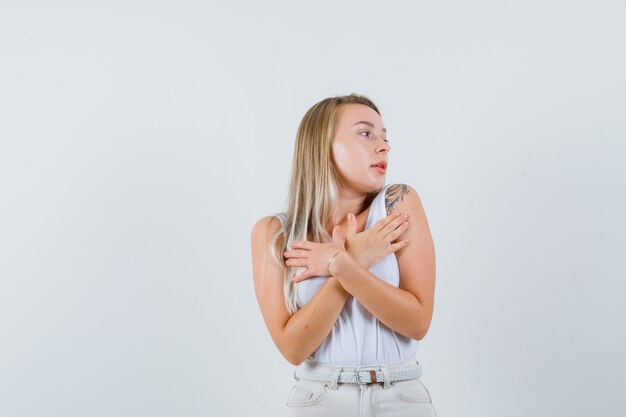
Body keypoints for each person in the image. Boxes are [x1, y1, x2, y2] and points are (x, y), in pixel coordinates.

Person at [250, 93, 437, 416]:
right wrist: (352, 260)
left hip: (401, 396)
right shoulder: (274, 234)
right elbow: (293, 348)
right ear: (322, 146)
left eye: (384, 137)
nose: (383, 146)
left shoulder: (397, 204)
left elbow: (417, 323)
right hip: (318, 399)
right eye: (366, 133)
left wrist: (338, 263)